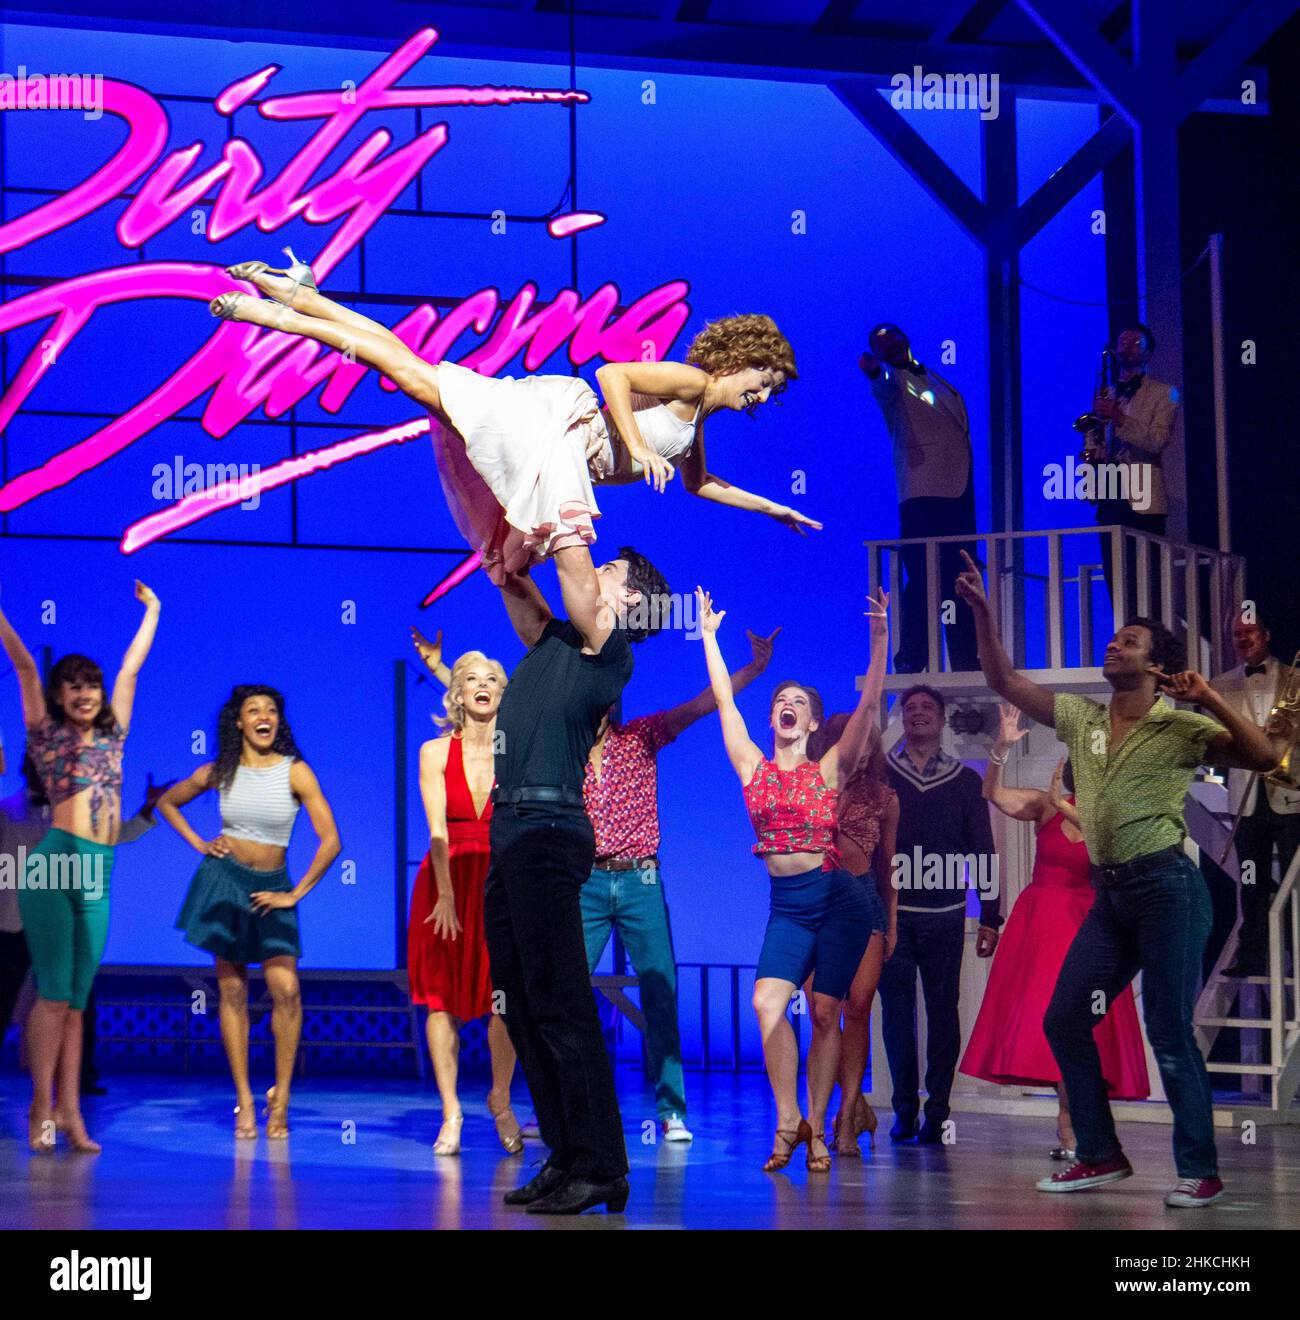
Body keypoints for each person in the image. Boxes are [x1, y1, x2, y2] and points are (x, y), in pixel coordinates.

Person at [955, 548, 1279, 1207]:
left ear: (1156, 667)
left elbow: (1266, 755)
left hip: (1167, 891)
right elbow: (1005, 680)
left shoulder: (1182, 726)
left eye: (1127, 641)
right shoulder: (1082, 718)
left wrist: (1211, 696)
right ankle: (1098, 1153)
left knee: (1166, 1028)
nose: (1113, 644)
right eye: (1114, 637)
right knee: (1065, 1017)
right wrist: (984, 617)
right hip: (1112, 895)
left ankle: (1201, 1170)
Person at [209, 256, 819, 603]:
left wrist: (773, 509)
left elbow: (700, 483)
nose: (759, 396)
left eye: (767, 392)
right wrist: (635, 446)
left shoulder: (697, 422)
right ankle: (276, 314)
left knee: (414, 370)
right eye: (760, 380)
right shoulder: (689, 380)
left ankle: (305, 297)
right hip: (551, 429)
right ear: (737, 360)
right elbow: (612, 375)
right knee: (409, 372)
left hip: (552, 447)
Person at [485, 544, 669, 1216]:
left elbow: (571, 575)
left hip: (549, 829)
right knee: (521, 1002)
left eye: (608, 574)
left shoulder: (611, 650)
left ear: (624, 601)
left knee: (559, 1000)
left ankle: (601, 1166)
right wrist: (504, 542)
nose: (594, 577)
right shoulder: (557, 639)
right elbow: (510, 579)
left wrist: (566, 514)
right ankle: (565, 1154)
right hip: (510, 826)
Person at [697, 584, 888, 1174]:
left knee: (827, 1012)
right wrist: (708, 638)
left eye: (798, 701)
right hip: (788, 906)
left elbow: (867, 714)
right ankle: (790, 1122)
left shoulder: (829, 770)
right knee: (766, 1003)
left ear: (809, 723)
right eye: (780, 698)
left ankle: (824, 1127)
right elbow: (725, 703)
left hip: (840, 901)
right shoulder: (752, 766)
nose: (787, 704)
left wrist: (880, 641)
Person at [581, 624, 781, 1144]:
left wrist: (753, 670)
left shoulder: (641, 736)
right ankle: (560, 1105)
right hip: (585, 881)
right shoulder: (564, 752)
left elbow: (701, 704)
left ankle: (672, 1111)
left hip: (640, 878)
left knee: (660, 989)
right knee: (565, 993)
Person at [0, 580, 161, 1154]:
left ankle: (71, 1112)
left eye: (90, 684)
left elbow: (132, 668)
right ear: (60, 696)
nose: (85, 692)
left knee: (77, 1000)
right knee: (52, 994)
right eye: (73, 686)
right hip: (53, 866)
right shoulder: (45, 736)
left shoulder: (114, 736)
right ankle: (40, 1107)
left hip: (96, 871)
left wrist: (153, 611)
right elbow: (22, 665)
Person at [959, 705, 1149, 1158]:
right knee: (1048, 1022)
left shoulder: (1114, 813)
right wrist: (1001, 748)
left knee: (1087, 1026)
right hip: (1041, 924)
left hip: (1091, 923)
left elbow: (1115, 853)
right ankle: (1070, 1133)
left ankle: (1080, 1129)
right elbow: (994, 794)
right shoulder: (1045, 805)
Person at [158, 685, 341, 1139]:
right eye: (253, 710)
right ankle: (244, 1099)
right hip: (225, 884)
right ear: (238, 721)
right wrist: (200, 843)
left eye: (272, 710)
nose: (264, 716)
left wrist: (295, 894)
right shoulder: (221, 770)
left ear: (279, 721)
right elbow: (166, 802)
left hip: (272, 890)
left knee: (287, 990)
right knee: (233, 993)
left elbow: (332, 841)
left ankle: (282, 1097)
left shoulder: (295, 772)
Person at [408, 647, 522, 1156]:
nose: (482, 685)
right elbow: (436, 830)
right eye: (470, 678)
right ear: (456, 693)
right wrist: (448, 895)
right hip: (445, 881)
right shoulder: (434, 752)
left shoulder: (517, 747)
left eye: (491, 678)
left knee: (506, 999)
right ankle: (451, 1111)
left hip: (504, 880)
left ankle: (500, 1099)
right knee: (441, 1000)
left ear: (503, 693)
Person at [877, 683, 1002, 1143]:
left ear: (943, 718)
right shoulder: (880, 775)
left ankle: (938, 1110)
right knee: (896, 1013)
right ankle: (903, 1109)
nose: (918, 713)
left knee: (943, 1013)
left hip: (946, 913)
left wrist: (991, 915)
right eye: (910, 708)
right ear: (902, 719)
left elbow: (981, 850)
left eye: (928, 706)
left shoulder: (966, 781)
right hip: (892, 915)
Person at [859, 323, 977, 672]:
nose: (891, 344)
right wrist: (874, 371)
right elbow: (880, 385)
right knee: (924, 576)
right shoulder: (893, 382)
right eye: (882, 343)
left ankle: (965, 658)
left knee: (959, 577)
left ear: (906, 338)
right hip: (922, 491)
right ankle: (912, 658)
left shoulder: (935, 377)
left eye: (893, 336)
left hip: (958, 489)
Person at [805, 711, 898, 1156]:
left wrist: (892, 921)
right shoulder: (808, 783)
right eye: (847, 739)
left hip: (865, 901)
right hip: (816, 899)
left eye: (865, 742)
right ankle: (820, 1120)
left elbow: (887, 867)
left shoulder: (883, 797)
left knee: (858, 1008)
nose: (857, 748)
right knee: (823, 1014)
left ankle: (847, 1119)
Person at [1210, 615, 1300, 977]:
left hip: (1289, 793)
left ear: (1266, 634)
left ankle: (1297, 945)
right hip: (1246, 800)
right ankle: (1253, 952)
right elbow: (1215, 739)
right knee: (1250, 877)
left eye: (1249, 632)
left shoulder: (1294, 679)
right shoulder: (1219, 686)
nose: (1242, 639)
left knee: (1295, 877)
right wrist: (1249, 738)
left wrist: (1288, 729)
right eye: (1236, 634)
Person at [1086, 324, 1179, 621]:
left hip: (1144, 497)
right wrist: (1092, 451)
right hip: (1111, 490)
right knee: (1116, 577)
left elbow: (1156, 441)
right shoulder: (1106, 392)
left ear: (1148, 352)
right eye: (1121, 342)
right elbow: (1095, 436)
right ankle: (1122, 634)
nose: (1125, 346)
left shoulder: (1166, 393)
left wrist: (1119, 418)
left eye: (1133, 342)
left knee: (1147, 579)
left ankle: (1152, 646)